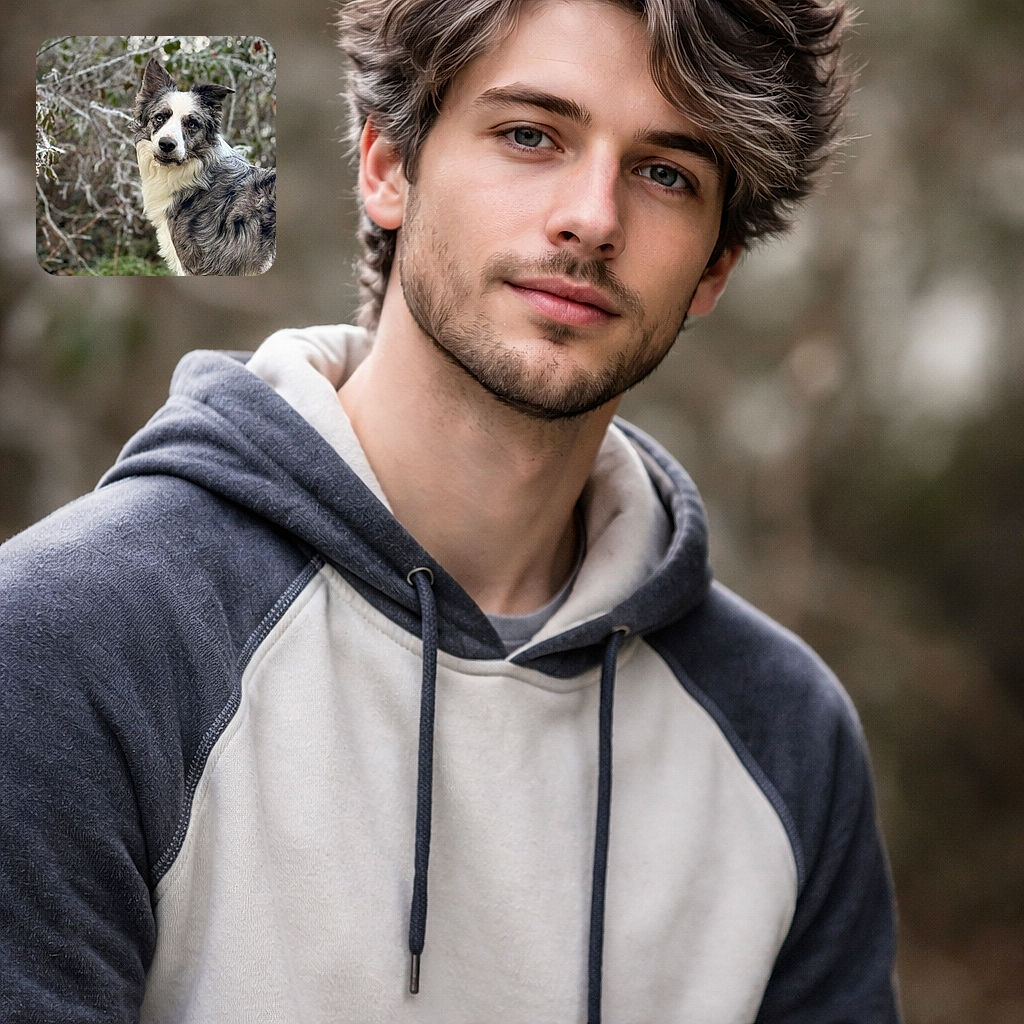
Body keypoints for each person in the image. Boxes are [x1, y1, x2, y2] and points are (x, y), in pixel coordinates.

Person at [0, 0, 900, 1021]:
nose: (593, 217)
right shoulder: (68, 643)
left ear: (713, 271)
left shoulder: (785, 733)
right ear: (387, 166)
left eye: (666, 173)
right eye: (530, 134)